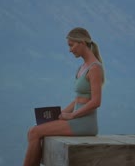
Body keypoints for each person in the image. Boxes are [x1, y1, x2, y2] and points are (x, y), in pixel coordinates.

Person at [23, 27, 105, 166]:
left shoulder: (95, 68)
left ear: (82, 43)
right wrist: (61, 113)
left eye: (71, 45)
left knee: (34, 132)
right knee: (34, 130)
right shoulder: (82, 68)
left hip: (85, 123)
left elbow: (96, 102)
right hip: (77, 119)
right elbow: (78, 100)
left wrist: (72, 116)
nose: (70, 50)